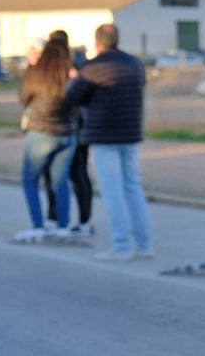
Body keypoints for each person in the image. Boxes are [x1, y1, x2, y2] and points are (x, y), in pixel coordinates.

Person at [65, 24, 153, 261]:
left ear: (97, 42)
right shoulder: (135, 64)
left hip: (104, 134)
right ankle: (144, 244)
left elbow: (74, 96)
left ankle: (122, 245)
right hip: (130, 132)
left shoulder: (93, 67)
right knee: (133, 187)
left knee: (112, 190)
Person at [13, 39, 77, 242]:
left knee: (30, 180)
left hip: (41, 131)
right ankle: (63, 226)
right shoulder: (69, 76)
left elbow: (23, 98)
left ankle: (38, 225)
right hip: (67, 133)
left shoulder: (36, 74)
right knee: (61, 181)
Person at [44, 29, 95, 236]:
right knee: (79, 174)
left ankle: (54, 216)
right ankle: (85, 220)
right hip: (81, 126)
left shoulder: (53, 69)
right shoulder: (81, 65)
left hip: (59, 126)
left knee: (54, 174)